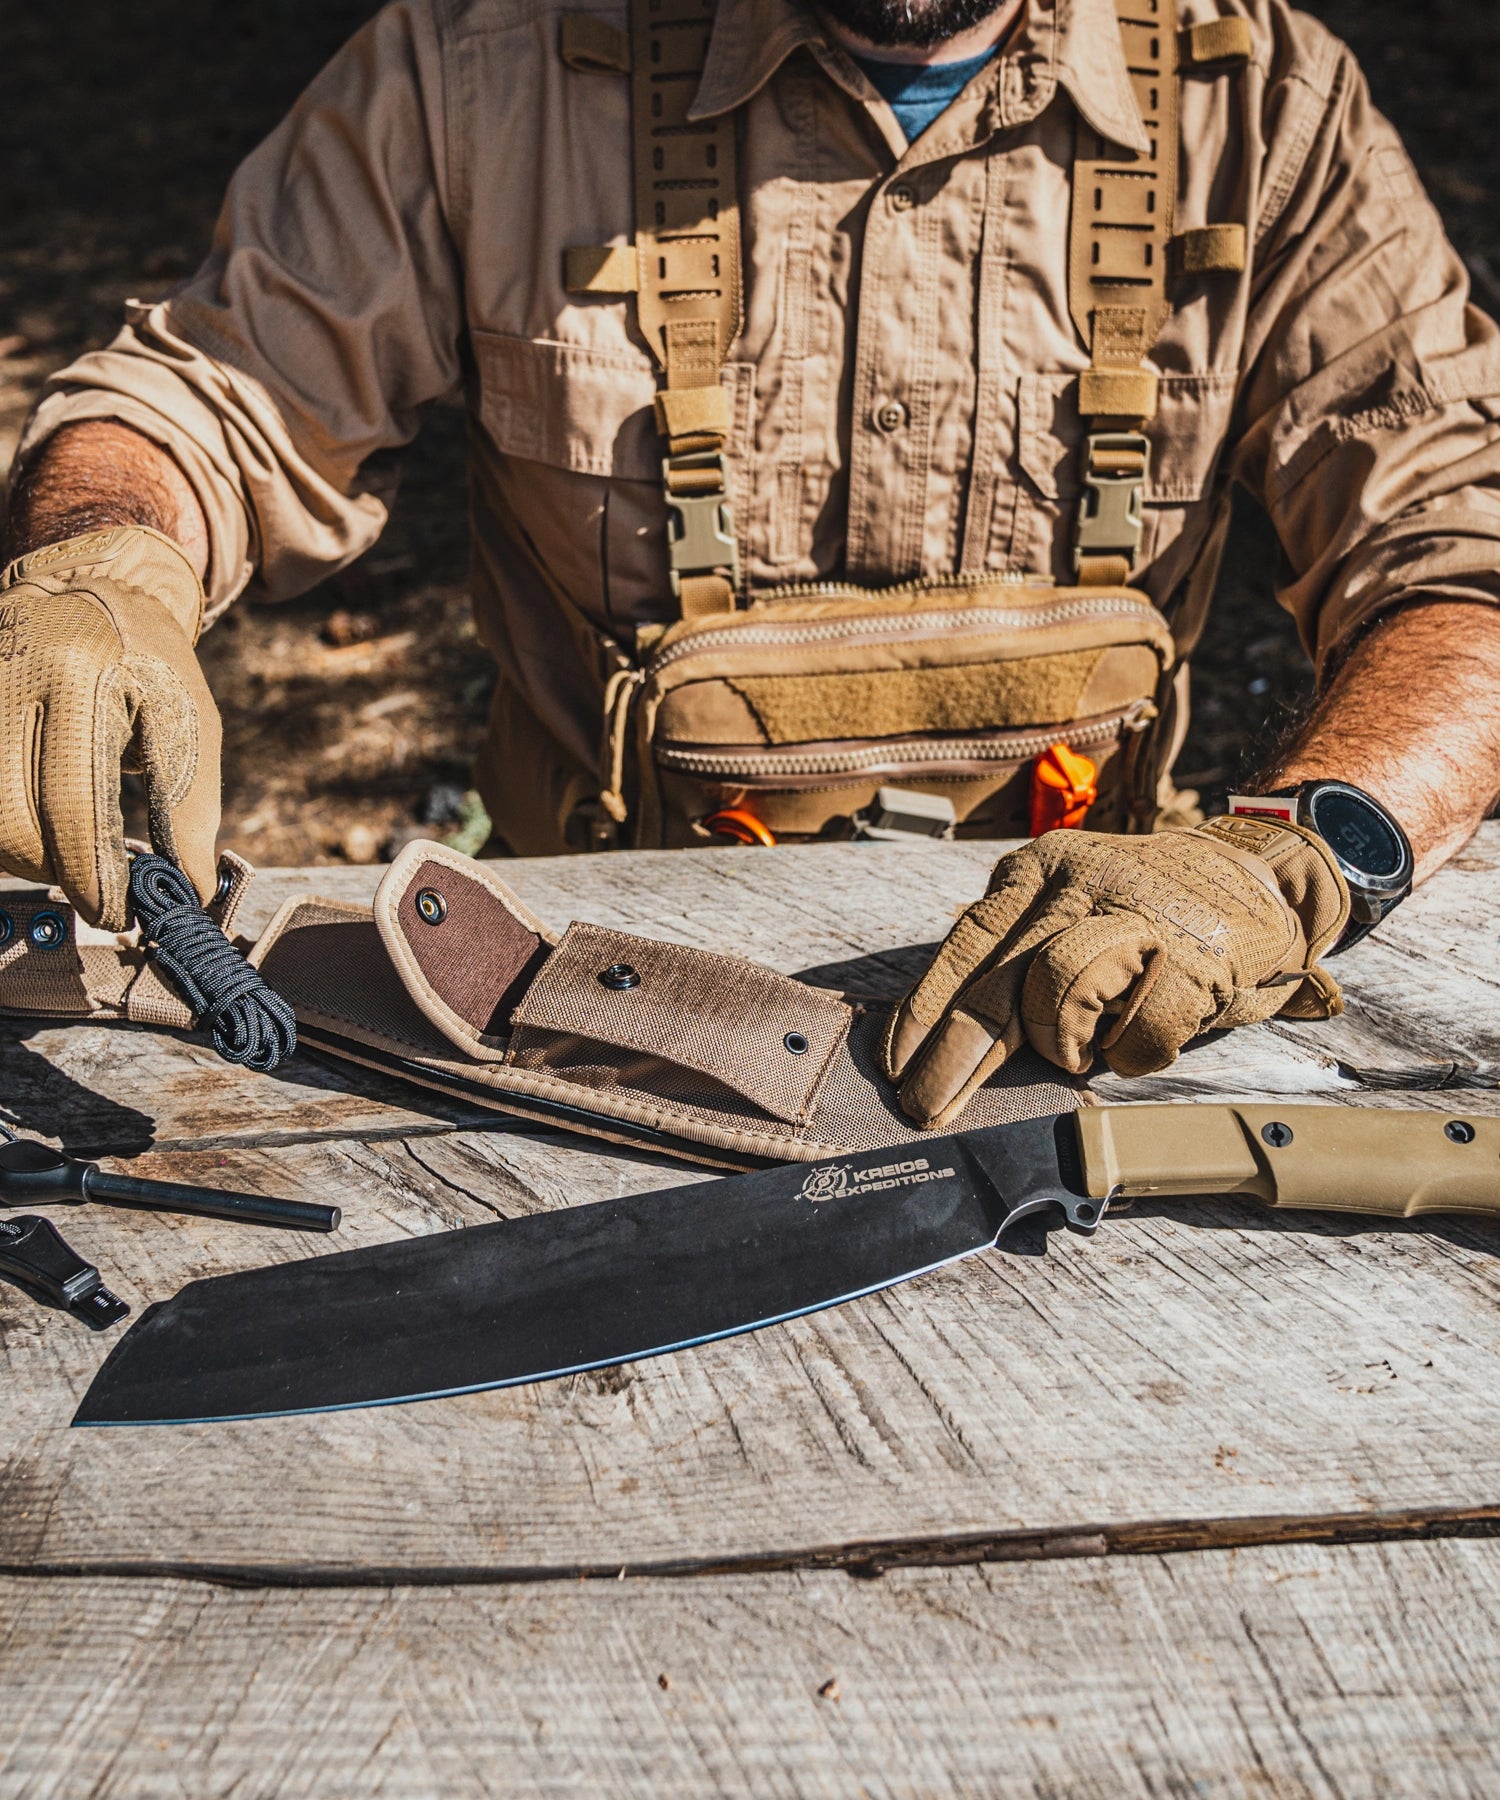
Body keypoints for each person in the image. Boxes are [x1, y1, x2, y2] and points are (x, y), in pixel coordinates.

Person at [4, 0, 1500, 1110]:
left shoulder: (1263, 101)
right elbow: (206, 394)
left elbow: (1463, 546)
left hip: (1100, 1013)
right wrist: (98, 567)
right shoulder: (489, 62)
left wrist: (1302, 855)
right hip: (562, 1003)